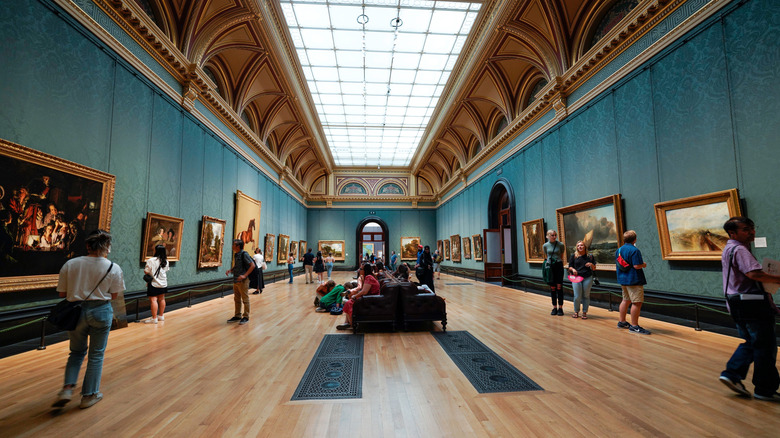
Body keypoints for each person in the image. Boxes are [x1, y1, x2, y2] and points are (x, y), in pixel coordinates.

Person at [52, 230, 125, 409]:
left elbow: (62, 293)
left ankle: (67, 388)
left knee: (76, 353)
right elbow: (114, 295)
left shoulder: (71, 264)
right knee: (96, 354)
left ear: (87, 246)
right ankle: (89, 395)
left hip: (75, 312)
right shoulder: (113, 267)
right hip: (101, 311)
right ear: (107, 247)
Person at [719, 216, 780, 401]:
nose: (751, 232)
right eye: (746, 229)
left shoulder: (729, 249)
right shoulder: (739, 250)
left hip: (737, 303)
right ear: (733, 233)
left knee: (754, 343)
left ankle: (733, 374)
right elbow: (753, 273)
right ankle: (764, 389)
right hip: (751, 304)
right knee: (765, 345)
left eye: (752, 228)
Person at [615, 230, 650, 334]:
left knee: (625, 300)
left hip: (623, 279)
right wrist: (643, 264)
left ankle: (622, 322)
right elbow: (636, 266)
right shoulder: (635, 250)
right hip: (633, 279)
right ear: (635, 239)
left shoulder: (619, 250)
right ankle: (634, 326)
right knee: (637, 302)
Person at [337, 263, 381, 330]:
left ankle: (352, 324)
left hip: (370, 300)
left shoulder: (368, 277)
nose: (359, 270)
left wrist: (355, 296)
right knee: (349, 302)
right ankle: (347, 322)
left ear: (365, 270)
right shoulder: (369, 276)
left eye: (360, 269)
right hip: (370, 298)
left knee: (349, 303)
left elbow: (364, 291)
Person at [225, 239, 254, 325]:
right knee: (237, 299)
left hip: (243, 281)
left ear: (238, 246)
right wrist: (231, 270)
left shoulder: (244, 254)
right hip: (236, 279)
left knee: (245, 299)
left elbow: (252, 265)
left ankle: (246, 316)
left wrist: (244, 275)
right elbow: (237, 265)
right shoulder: (236, 254)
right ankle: (237, 315)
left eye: (234, 245)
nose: (232, 246)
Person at [567, 241, 596, 319]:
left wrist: (591, 264)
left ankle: (584, 312)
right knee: (577, 296)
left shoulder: (590, 256)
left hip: (587, 278)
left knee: (586, 295)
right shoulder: (574, 256)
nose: (580, 247)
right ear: (577, 247)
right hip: (576, 278)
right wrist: (573, 270)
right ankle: (576, 312)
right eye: (578, 245)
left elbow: (594, 268)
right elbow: (569, 267)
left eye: (582, 245)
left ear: (585, 246)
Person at [144, 244, 169, 324]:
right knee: (162, 299)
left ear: (156, 251)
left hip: (154, 283)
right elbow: (165, 270)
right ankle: (161, 316)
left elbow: (146, 271)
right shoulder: (166, 261)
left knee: (153, 300)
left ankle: (154, 318)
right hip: (163, 283)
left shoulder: (151, 260)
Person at [543, 230, 564, 316]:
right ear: (548, 236)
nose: (554, 237)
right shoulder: (545, 245)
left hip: (558, 266)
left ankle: (560, 308)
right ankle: (554, 307)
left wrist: (557, 261)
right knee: (552, 288)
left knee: (559, 287)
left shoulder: (560, 245)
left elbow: (562, 255)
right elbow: (546, 256)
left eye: (555, 235)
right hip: (550, 268)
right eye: (552, 235)